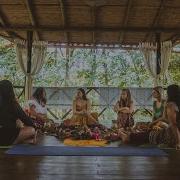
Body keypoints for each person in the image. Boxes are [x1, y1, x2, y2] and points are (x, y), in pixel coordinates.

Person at [0, 80, 36, 146]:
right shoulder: (12, 102)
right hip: (6, 136)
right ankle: (15, 142)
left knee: (18, 123)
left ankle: (20, 140)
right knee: (31, 130)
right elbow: (26, 119)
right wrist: (34, 126)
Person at [166, 84, 180, 149]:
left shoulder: (171, 104)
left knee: (170, 126)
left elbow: (173, 123)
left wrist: (178, 142)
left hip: (177, 126)